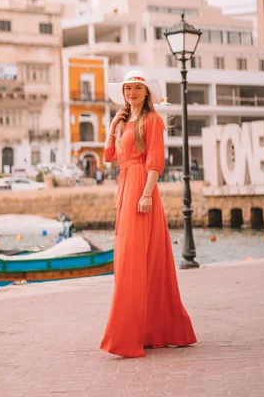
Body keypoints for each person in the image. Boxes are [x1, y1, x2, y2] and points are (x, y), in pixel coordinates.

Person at [100, 69, 197, 358]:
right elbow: (109, 157)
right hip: (126, 187)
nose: (131, 93)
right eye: (128, 88)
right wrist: (112, 127)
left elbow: (155, 160)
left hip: (141, 189)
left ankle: (129, 334)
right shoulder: (126, 122)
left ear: (147, 94)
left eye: (137, 89)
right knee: (132, 259)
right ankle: (146, 330)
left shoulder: (152, 120)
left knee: (135, 260)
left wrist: (145, 194)